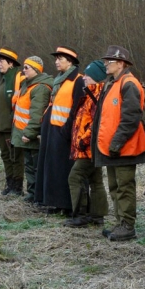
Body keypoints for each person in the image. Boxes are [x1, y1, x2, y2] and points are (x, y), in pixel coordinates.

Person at [92, 45, 145, 242]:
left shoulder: (128, 84)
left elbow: (131, 118)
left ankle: (127, 226)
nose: (106, 64)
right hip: (112, 148)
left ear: (121, 63)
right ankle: (120, 222)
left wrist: (116, 142)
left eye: (110, 61)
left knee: (124, 187)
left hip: (124, 148)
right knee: (115, 187)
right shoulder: (112, 83)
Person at [35, 46, 85, 214]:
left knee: (65, 169)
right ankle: (55, 202)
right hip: (52, 130)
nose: (56, 62)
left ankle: (67, 204)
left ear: (70, 61)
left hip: (65, 132)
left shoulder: (77, 80)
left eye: (60, 59)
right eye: (56, 59)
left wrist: (67, 130)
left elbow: (77, 108)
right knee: (53, 167)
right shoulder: (59, 80)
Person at [64, 60, 109, 227]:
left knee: (75, 177)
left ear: (97, 78)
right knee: (95, 180)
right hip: (87, 148)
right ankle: (98, 216)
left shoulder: (97, 96)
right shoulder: (89, 94)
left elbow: (96, 124)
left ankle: (80, 214)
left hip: (88, 148)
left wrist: (83, 141)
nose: (84, 78)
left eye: (88, 76)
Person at [11, 56, 53, 202]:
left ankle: (38, 195)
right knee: (29, 165)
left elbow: (37, 114)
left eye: (27, 67)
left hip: (31, 135)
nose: (23, 70)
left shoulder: (40, 88)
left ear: (36, 69)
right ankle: (32, 193)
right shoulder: (27, 84)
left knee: (36, 167)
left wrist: (29, 133)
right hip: (24, 133)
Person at [0, 47, 24, 195]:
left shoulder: (18, 77)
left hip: (12, 126)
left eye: (1, 61)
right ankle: (9, 184)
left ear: (11, 63)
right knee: (5, 155)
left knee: (15, 156)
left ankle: (17, 186)